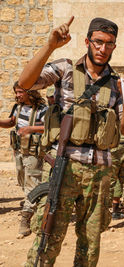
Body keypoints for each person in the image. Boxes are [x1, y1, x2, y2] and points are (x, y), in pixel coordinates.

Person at [19, 16, 124, 266]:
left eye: (109, 44)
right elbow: (25, 83)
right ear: (87, 41)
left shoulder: (115, 84)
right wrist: (50, 46)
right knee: (48, 238)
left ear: (114, 46)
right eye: (98, 42)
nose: (103, 49)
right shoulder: (66, 69)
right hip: (65, 166)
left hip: (100, 173)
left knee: (90, 245)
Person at [0, 82, 47, 238]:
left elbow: (49, 127)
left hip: (34, 153)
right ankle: (36, 206)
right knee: (23, 181)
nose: (18, 95)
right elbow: (12, 122)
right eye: (17, 92)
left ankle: (25, 219)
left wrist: (31, 129)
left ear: (30, 92)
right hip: (20, 152)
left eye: (21, 92)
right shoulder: (18, 107)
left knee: (32, 183)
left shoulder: (42, 109)